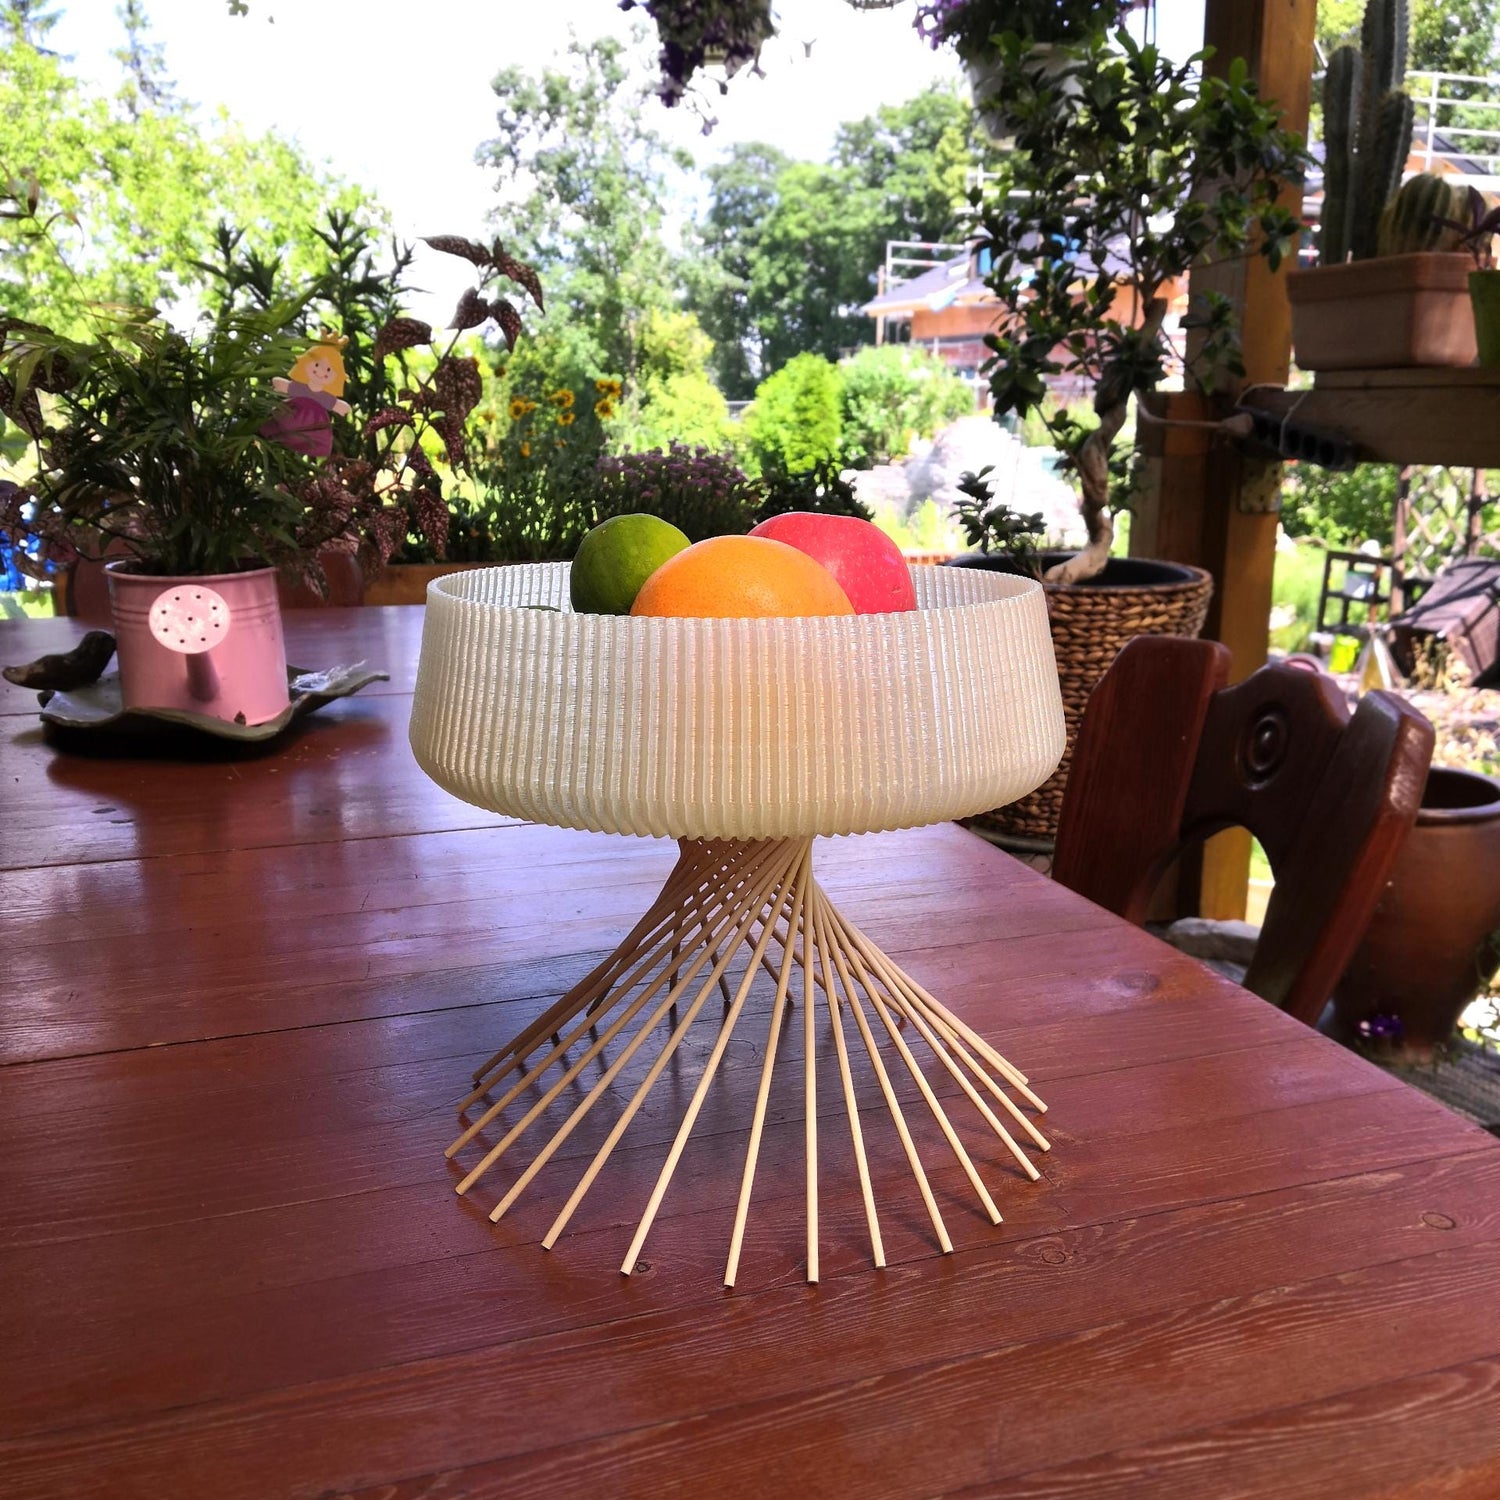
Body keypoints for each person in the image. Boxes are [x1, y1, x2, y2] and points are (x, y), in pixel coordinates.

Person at [260, 339, 351, 458]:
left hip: (313, 421)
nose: (320, 372)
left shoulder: (324, 397)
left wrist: (339, 406)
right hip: (295, 413)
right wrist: (283, 385)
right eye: (317, 365)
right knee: (282, 426)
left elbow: (335, 404)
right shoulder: (301, 388)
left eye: (328, 370)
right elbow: (289, 387)